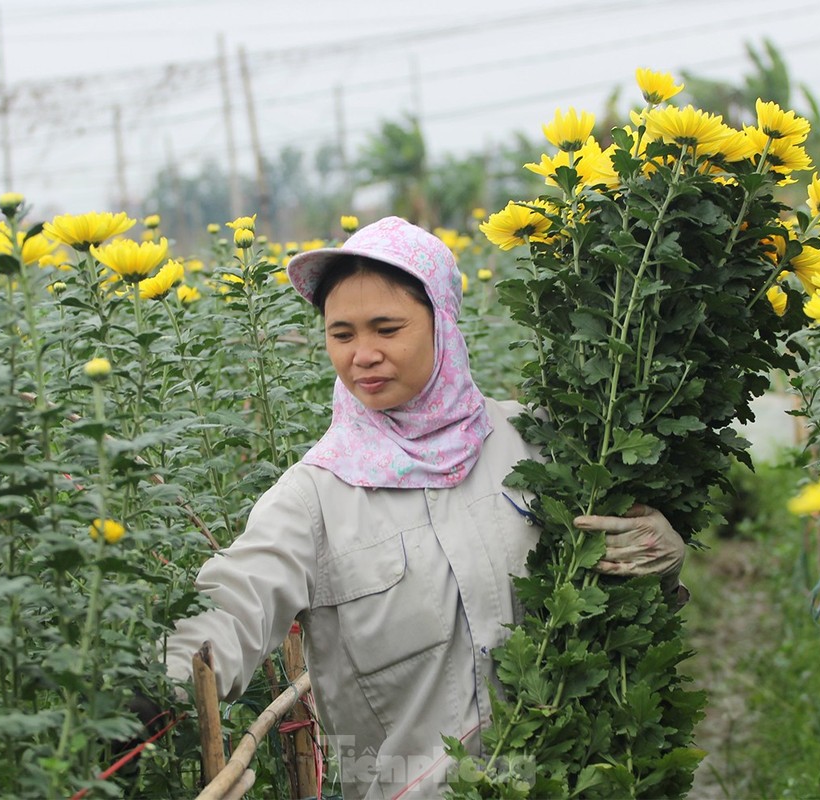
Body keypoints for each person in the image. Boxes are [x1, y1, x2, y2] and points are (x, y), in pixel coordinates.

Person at [164, 216, 687, 799]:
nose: (363, 355)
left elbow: (617, 597)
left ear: (443, 323)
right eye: (342, 334)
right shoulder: (315, 496)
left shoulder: (535, 441)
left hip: (570, 780)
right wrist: (159, 682)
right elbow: (234, 604)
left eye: (387, 328)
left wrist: (659, 551)